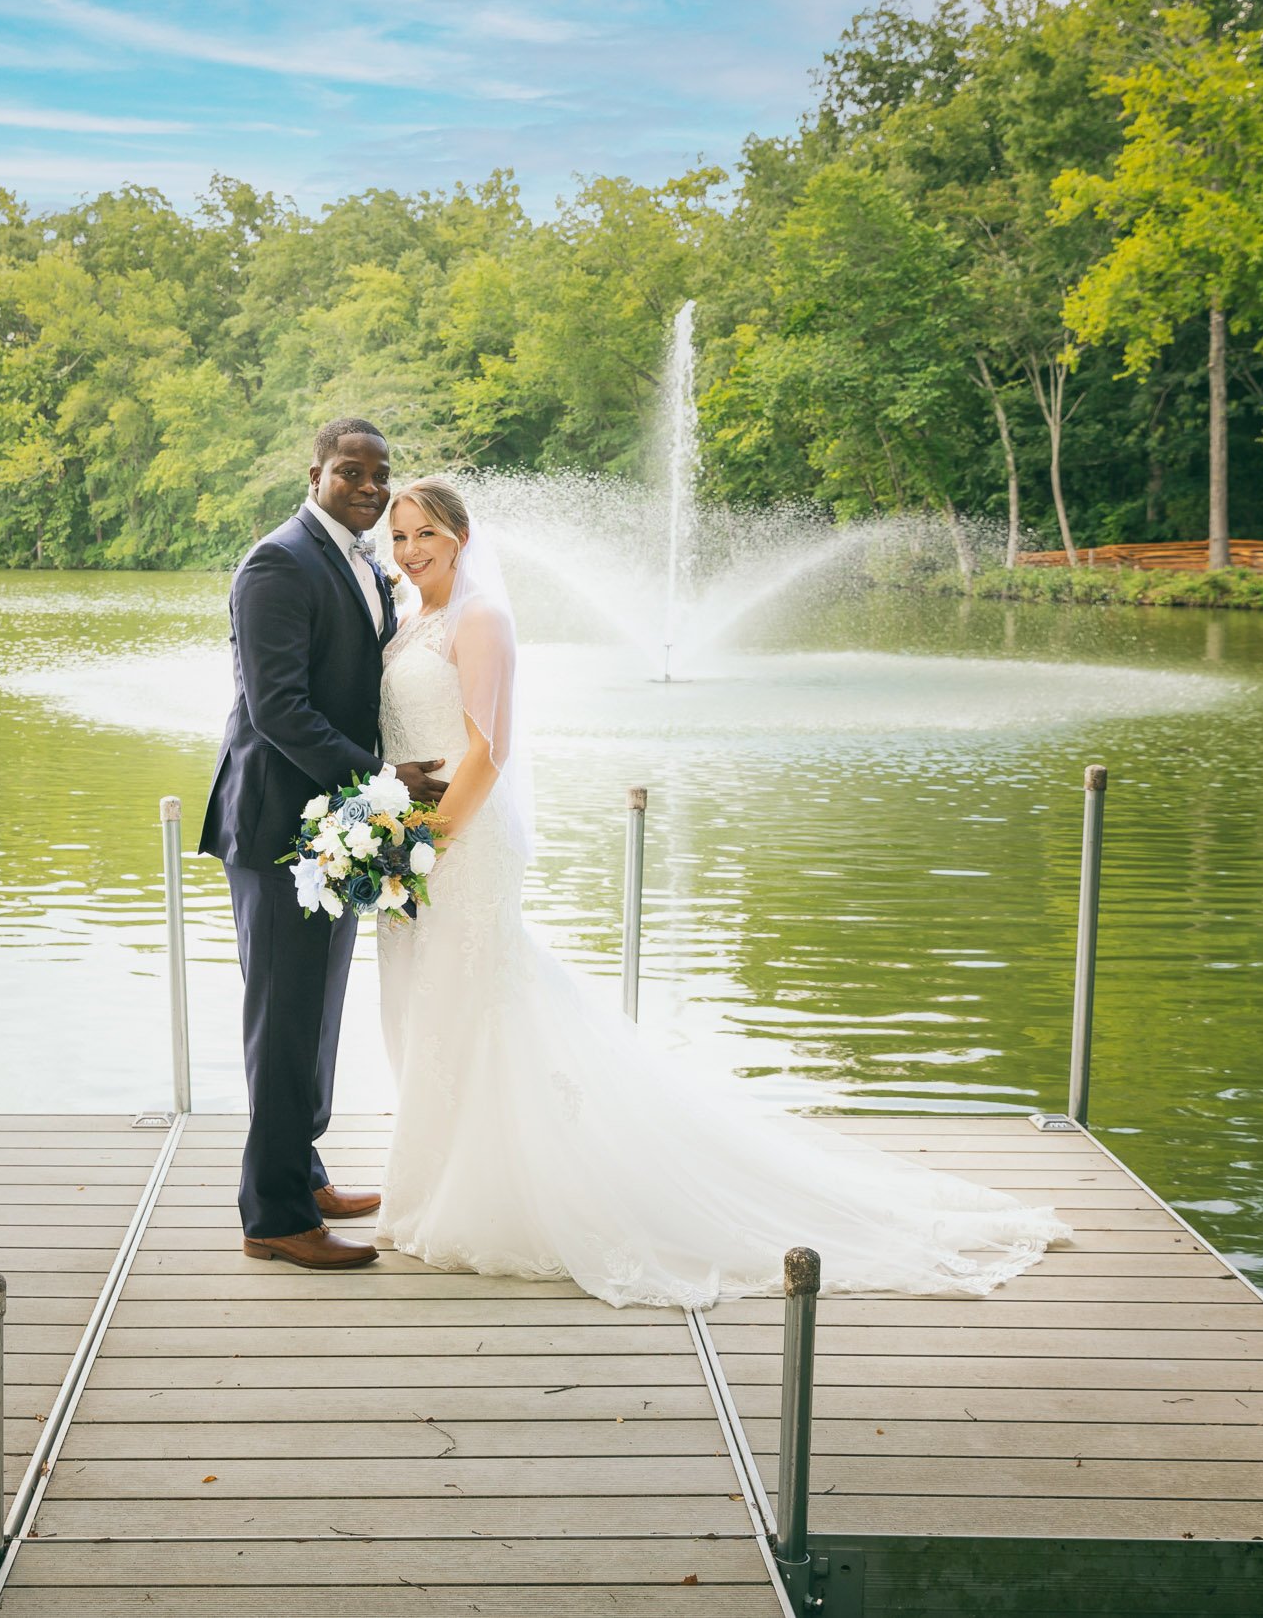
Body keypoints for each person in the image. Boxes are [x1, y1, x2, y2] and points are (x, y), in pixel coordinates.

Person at [372, 477, 1072, 1305]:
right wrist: (390, 830)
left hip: (461, 839)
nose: (411, 550)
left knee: (473, 1001)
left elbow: (490, 749)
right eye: (401, 536)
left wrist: (433, 841)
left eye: (425, 534)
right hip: (406, 842)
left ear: (459, 535)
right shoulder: (408, 618)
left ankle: (486, 1199)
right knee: (431, 1007)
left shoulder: (481, 618)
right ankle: (433, 1185)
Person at [198, 418, 444, 1271]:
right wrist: (383, 778)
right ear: (315, 473)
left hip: (337, 827)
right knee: (283, 1019)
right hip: (277, 828)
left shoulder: (362, 559)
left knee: (317, 1016)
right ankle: (273, 1216)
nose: (371, 487)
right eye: (352, 471)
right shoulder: (278, 560)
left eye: (381, 474)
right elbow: (278, 709)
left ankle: (303, 1173)